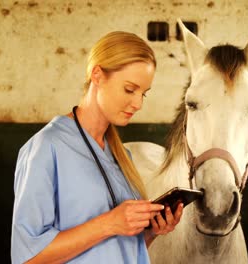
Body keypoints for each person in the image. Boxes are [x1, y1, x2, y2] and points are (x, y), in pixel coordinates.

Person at [11, 31, 184, 263]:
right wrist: (109, 223)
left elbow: (118, 250)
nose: (138, 103)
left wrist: (151, 231)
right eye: (130, 89)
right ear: (97, 75)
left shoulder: (122, 156)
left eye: (144, 94)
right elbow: (27, 258)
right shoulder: (47, 147)